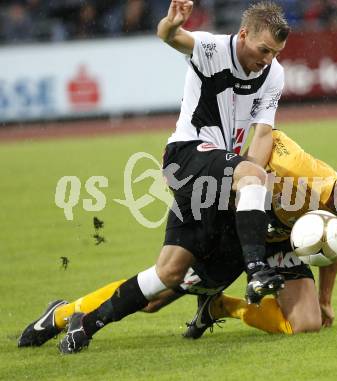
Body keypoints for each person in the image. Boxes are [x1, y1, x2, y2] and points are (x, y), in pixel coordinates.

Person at [17, 0, 291, 354]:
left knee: (166, 278)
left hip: (219, 176)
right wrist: (170, 24)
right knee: (251, 182)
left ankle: (79, 323)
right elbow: (172, 38)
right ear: (243, 35)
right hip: (187, 153)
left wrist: (245, 183)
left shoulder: (274, 73)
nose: (267, 58)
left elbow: (264, 134)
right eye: (263, 49)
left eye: (275, 52)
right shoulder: (212, 49)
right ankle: (257, 272)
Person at [17, 130, 337, 349]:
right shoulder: (301, 171)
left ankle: (219, 308)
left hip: (280, 243)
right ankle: (63, 313)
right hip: (232, 225)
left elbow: (331, 250)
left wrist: (325, 301)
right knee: (156, 296)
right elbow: (263, 136)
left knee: (307, 323)